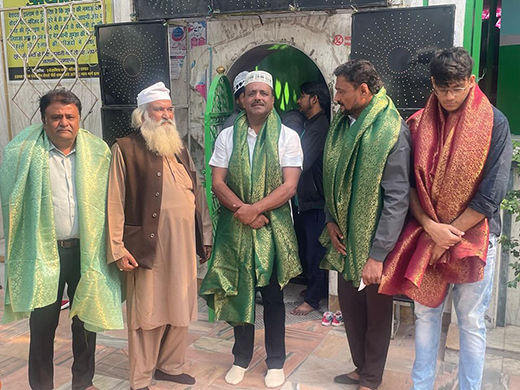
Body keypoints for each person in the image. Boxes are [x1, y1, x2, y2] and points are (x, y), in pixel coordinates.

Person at [380, 47, 513, 390]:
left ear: (471, 81)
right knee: (425, 313)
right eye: (442, 89)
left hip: (476, 236)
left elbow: (492, 192)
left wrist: (447, 235)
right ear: (432, 84)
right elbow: (407, 184)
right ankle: (421, 385)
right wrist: (430, 227)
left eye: (457, 88)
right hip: (429, 232)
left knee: (469, 320)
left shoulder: (494, 123)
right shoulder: (417, 123)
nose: (450, 96)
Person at [0, 89, 123, 390]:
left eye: (70, 116)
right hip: (44, 253)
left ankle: (84, 382)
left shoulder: (98, 153)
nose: (63, 122)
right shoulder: (22, 154)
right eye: (56, 117)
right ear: (43, 120)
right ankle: (42, 385)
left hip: (86, 251)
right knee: (42, 325)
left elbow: (113, 201)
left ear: (80, 119)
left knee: (86, 322)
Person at [200, 70, 303, 388]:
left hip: (271, 226)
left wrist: (254, 210)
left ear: (273, 100)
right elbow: (217, 182)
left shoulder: (288, 136)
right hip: (237, 228)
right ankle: (241, 357)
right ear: (241, 100)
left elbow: (289, 186)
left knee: (273, 296)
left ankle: (275, 360)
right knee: (238, 292)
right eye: (251, 93)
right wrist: (241, 213)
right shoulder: (227, 137)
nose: (258, 97)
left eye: (264, 93)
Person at [106, 82, 213, 390]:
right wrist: (117, 248)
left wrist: (204, 233)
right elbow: (114, 200)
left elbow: (198, 192)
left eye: (169, 109)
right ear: (143, 115)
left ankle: (170, 365)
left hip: (183, 243)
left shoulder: (178, 149)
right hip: (146, 246)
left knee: (180, 305)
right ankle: (140, 379)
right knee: (147, 312)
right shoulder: (125, 148)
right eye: (159, 110)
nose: (167, 115)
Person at [321, 60, 411, 390]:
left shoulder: (391, 130)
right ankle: (360, 367)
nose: (336, 97)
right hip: (345, 239)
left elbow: (398, 196)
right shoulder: (343, 126)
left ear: (363, 90)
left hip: (375, 243)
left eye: (342, 91)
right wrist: (331, 220)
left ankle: (372, 377)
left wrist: (378, 254)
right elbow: (333, 179)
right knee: (351, 306)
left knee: (376, 313)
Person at [290, 81, 330, 315]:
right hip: (305, 200)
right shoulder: (310, 124)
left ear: (314, 99)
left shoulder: (319, 127)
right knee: (307, 248)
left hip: (315, 201)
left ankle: (314, 299)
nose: (299, 100)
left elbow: (301, 162)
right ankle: (315, 289)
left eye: (302, 96)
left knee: (315, 251)